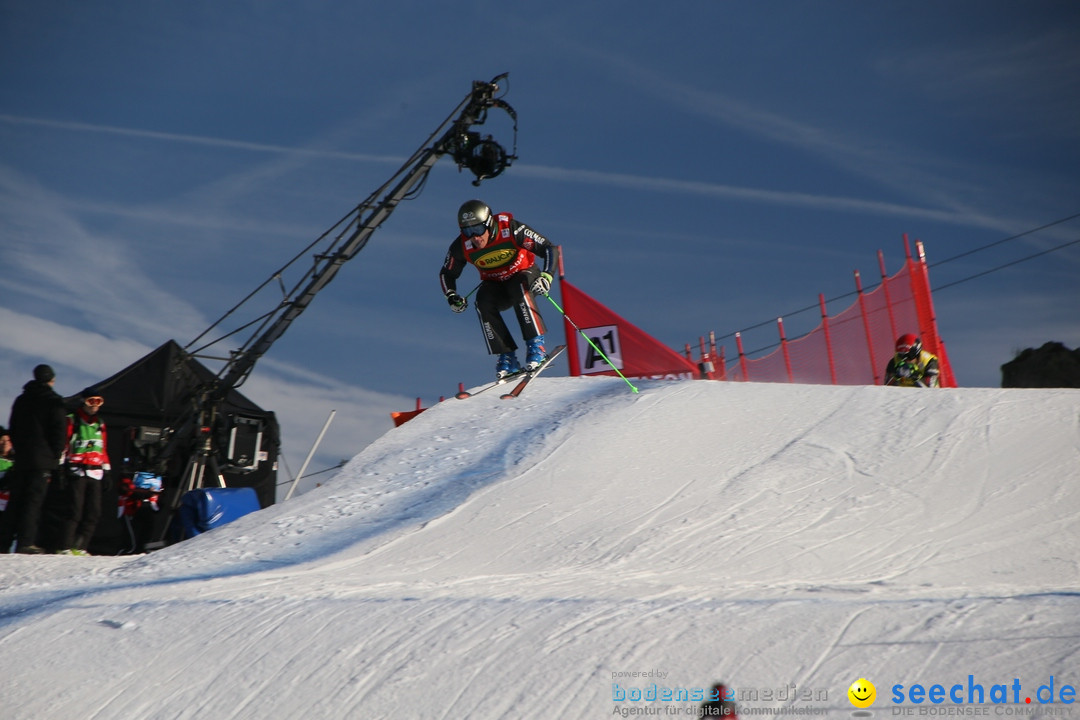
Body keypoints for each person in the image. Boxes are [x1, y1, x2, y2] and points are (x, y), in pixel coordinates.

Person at [439, 199, 557, 379]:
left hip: (523, 273)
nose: (475, 237)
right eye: (467, 231)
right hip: (496, 284)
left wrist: (547, 276)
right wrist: (451, 295)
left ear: (489, 224)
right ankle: (507, 357)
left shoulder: (510, 229)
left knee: (519, 287)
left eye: (478, 229)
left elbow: (549, 248)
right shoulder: (463, 245)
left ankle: (536, 347)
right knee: (482, 301)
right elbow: (447, 273)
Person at [2, 364, 68, 553]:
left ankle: (3, 541)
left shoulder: (21, 399)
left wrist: (19, 449)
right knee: (33, 502)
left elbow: (13, 427)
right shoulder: (54, 401)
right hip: (43, 459)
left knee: (15, 500)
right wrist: (56, 455)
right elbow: (58, 432)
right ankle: (25, 542)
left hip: (22, 458)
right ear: (52, 380)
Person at [52, 393, 111, 555]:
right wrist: (60, 469)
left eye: (99, 401)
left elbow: (103, 448)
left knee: (94, 512)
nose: (95, 405)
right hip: (77, 471)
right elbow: (64, 445)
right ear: (83, 402)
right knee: (75, 510)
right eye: (91, 401)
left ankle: (80, 546)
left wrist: (107, 470)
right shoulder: (72, 420)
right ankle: (64, 546)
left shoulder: (100, 423)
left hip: (96, 472)